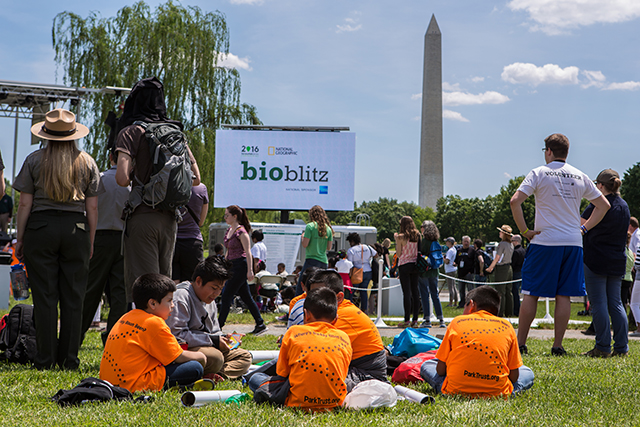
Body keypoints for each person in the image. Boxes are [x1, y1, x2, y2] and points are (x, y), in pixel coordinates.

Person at [14, 108, 102, 370]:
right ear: (73, 134)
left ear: (47, 134)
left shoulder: (33, 160)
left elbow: (24, 205)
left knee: (45, 297)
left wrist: (20, 238)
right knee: (75, 298)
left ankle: (45, 359)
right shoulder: (87, 162)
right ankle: (69, 360)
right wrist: (91, 239)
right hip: (77, 229)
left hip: (41, 229)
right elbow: (93, 208)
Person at [510, 133, 609, 356]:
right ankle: (557, 345)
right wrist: (584, 228)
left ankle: (521, 343)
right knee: (564, 294)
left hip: (544, 241)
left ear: (548, 151)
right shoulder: (580, 175)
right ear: (567, 152)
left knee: (531, 293)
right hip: (573, 243)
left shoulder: (539, 172)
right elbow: (603, 206)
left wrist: (525, 231)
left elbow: (515, 201)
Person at [114, 77, 201, 304]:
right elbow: (196, 179)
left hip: (143, 217)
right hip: (171, 219)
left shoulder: (131, 132)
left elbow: (121, 179)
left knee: (145, 286)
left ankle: (142, 337)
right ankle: (163, 334)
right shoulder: (176, 133)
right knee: (164, 286)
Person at [248, 287, 352, 411]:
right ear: (336, 319)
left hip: (297, 402)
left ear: (306, 314)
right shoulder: (344, 337)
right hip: (334, 404)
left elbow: (282, 373)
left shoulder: (294, 331)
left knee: (255, 378)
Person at [420, 286, 534, 398]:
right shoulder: (507, 326)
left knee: (427, 365)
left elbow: (440, 370)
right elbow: (514, 377)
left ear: (472, 304)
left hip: (455, 390)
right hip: (497, 392)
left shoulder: (457, 322)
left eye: (465, 305)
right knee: (527, 371)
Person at [100, 273, 206, 391]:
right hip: (133, 384)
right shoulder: (154, 323)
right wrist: (201, 357)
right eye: (169, 300)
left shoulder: (126, 316)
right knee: (195, 367)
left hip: (108, 381)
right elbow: (179, 357)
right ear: (153, 303)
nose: (172, 305)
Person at [166, 256, 252, 379]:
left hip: (208, 346)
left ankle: (216, 375)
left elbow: (214, 331)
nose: (217, 293)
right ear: (199, 281)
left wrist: (224, 338)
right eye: (214, 288)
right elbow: (178, 335)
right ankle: (213, 373)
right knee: (215, 358)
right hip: (186, 348)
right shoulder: (182, 296)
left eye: (221, 289)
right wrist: (214, 340)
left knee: (245, 356)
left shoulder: (210, 301)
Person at [306, 270, 386, 390]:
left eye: (320, 296)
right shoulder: (336, 310)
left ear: (338, 298)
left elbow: (311, 350)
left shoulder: (340, 315)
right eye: (311, 295)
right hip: (356, 369)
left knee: (311, 378)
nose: (313, 301)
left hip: (368, 376)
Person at [81, 150, 130, 346]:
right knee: (120, 294)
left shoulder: (98, 178)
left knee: (91, 289)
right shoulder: (131, 185)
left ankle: (76, 336)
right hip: (122, 240)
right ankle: (114, 339)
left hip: (98, 237)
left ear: (110, 157)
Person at [581, 169, 629, 357]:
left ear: (600, 185)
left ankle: (602, 346)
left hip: (596, 260)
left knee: (599, 303)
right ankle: (621, 348)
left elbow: (581, 225)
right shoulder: (624, 206)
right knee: (616, 303)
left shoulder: (596, 205)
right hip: (617, 260)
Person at [218, 205, 266, 334]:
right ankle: (260, 323)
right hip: (232, 265)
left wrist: (250, 270)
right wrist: (224, 264)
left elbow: (248, 252)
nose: (225, 217)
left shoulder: (242, 232)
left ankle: (218, 325)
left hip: (241, 265)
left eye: (227, 215)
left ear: (235, 216)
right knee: (246, 297)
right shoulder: (229, 230)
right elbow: (228, 250)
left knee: (227, 294)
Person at [172, 182, 209, 283]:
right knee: (192, 282)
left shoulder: (171, 184)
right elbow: (201, 222)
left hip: (172, 241)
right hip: (192, 242)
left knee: (172, 281)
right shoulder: (201, 188)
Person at [296, 205, 333, 297]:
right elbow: (329, 247)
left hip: (311, 261)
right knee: (319, 288)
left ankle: (296, 309)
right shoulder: (328, 229)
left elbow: (305, 244)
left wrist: (302, 237)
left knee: (302, 287)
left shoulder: (310, 226)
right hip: (323, 262)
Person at [418, 221, 445, 328]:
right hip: (435, 271)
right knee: (435, 295)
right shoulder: (436, 241)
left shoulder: (424, 241)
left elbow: (420, 254)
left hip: (425, 271)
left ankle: (427, 319)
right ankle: (441, 319)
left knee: (424, 295)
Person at [395, 216, 421, 327]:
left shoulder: (401, 237)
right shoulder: (417, 235)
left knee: (406, 293)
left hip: (404, 265)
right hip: (415, 265)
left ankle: (407, 320)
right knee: (415, 292)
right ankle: (415, 320)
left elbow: (399, 254)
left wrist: (396, 240)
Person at [486, 225, 515, 317]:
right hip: (509, 268)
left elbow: (497, 258)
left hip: (502, 268)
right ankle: (509, 312)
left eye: (501, 232)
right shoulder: (511, 244)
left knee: (500, 291)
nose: (499, 233)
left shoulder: (502, 244)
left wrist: (490, 268)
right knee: (508, 291)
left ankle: (500, 312)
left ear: (504, 234)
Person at [346, 232, 377, 312]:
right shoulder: (367, 247)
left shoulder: (351, 250)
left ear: (352, 241)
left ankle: (349, 309)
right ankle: (364, 310)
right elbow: (376, 254)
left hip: (357, 273)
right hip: (368, 272)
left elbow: (350, 264)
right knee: (364, 291)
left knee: (351, 291)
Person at [454, 236, 476, 309]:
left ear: (469, 242)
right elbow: (456, 260)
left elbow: (475, 262)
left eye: (467, 242)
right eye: (465, 241)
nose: (466, 243)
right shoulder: (459, 250)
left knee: (470, 290)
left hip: (469, 273)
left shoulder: (472, 251)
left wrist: (471, 272)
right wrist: (454, 263)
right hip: (461, 273)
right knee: (461, 290)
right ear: (462, 242)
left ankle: (471, 304)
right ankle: (462, 303)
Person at [510, 234, 526, 316]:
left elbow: (513, 263)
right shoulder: (524, 250)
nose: (511, 243)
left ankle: (516, 310)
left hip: (516, 273)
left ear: (516, 242)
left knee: (515, 293)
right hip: (522, 272)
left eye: (512, 241)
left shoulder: (516, 252)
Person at [443, 237, 458, 307]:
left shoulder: (450, 251)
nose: (446, 243)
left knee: (450, 287)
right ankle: (455, 302)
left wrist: (442, 258)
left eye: (447, 242)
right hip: (453, 270)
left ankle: (451, 302)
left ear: (450, 242)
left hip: (449, 270)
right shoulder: (454, 249)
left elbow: (447, 261)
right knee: (454, 286)